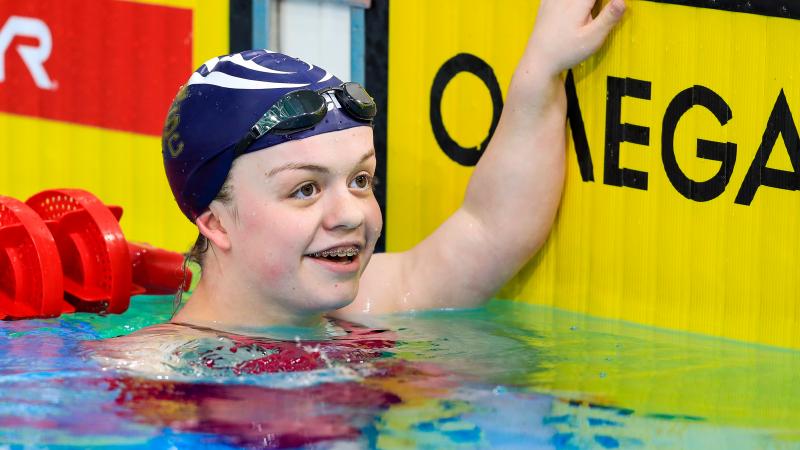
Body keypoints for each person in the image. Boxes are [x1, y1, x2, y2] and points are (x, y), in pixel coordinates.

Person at [158, 0, 626, 333]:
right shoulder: (159, 378)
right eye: (305, 189)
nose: (352, 215)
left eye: (361, 180)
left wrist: (543, 67)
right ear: (216, 223)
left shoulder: (367, 305)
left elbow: (489, 230)